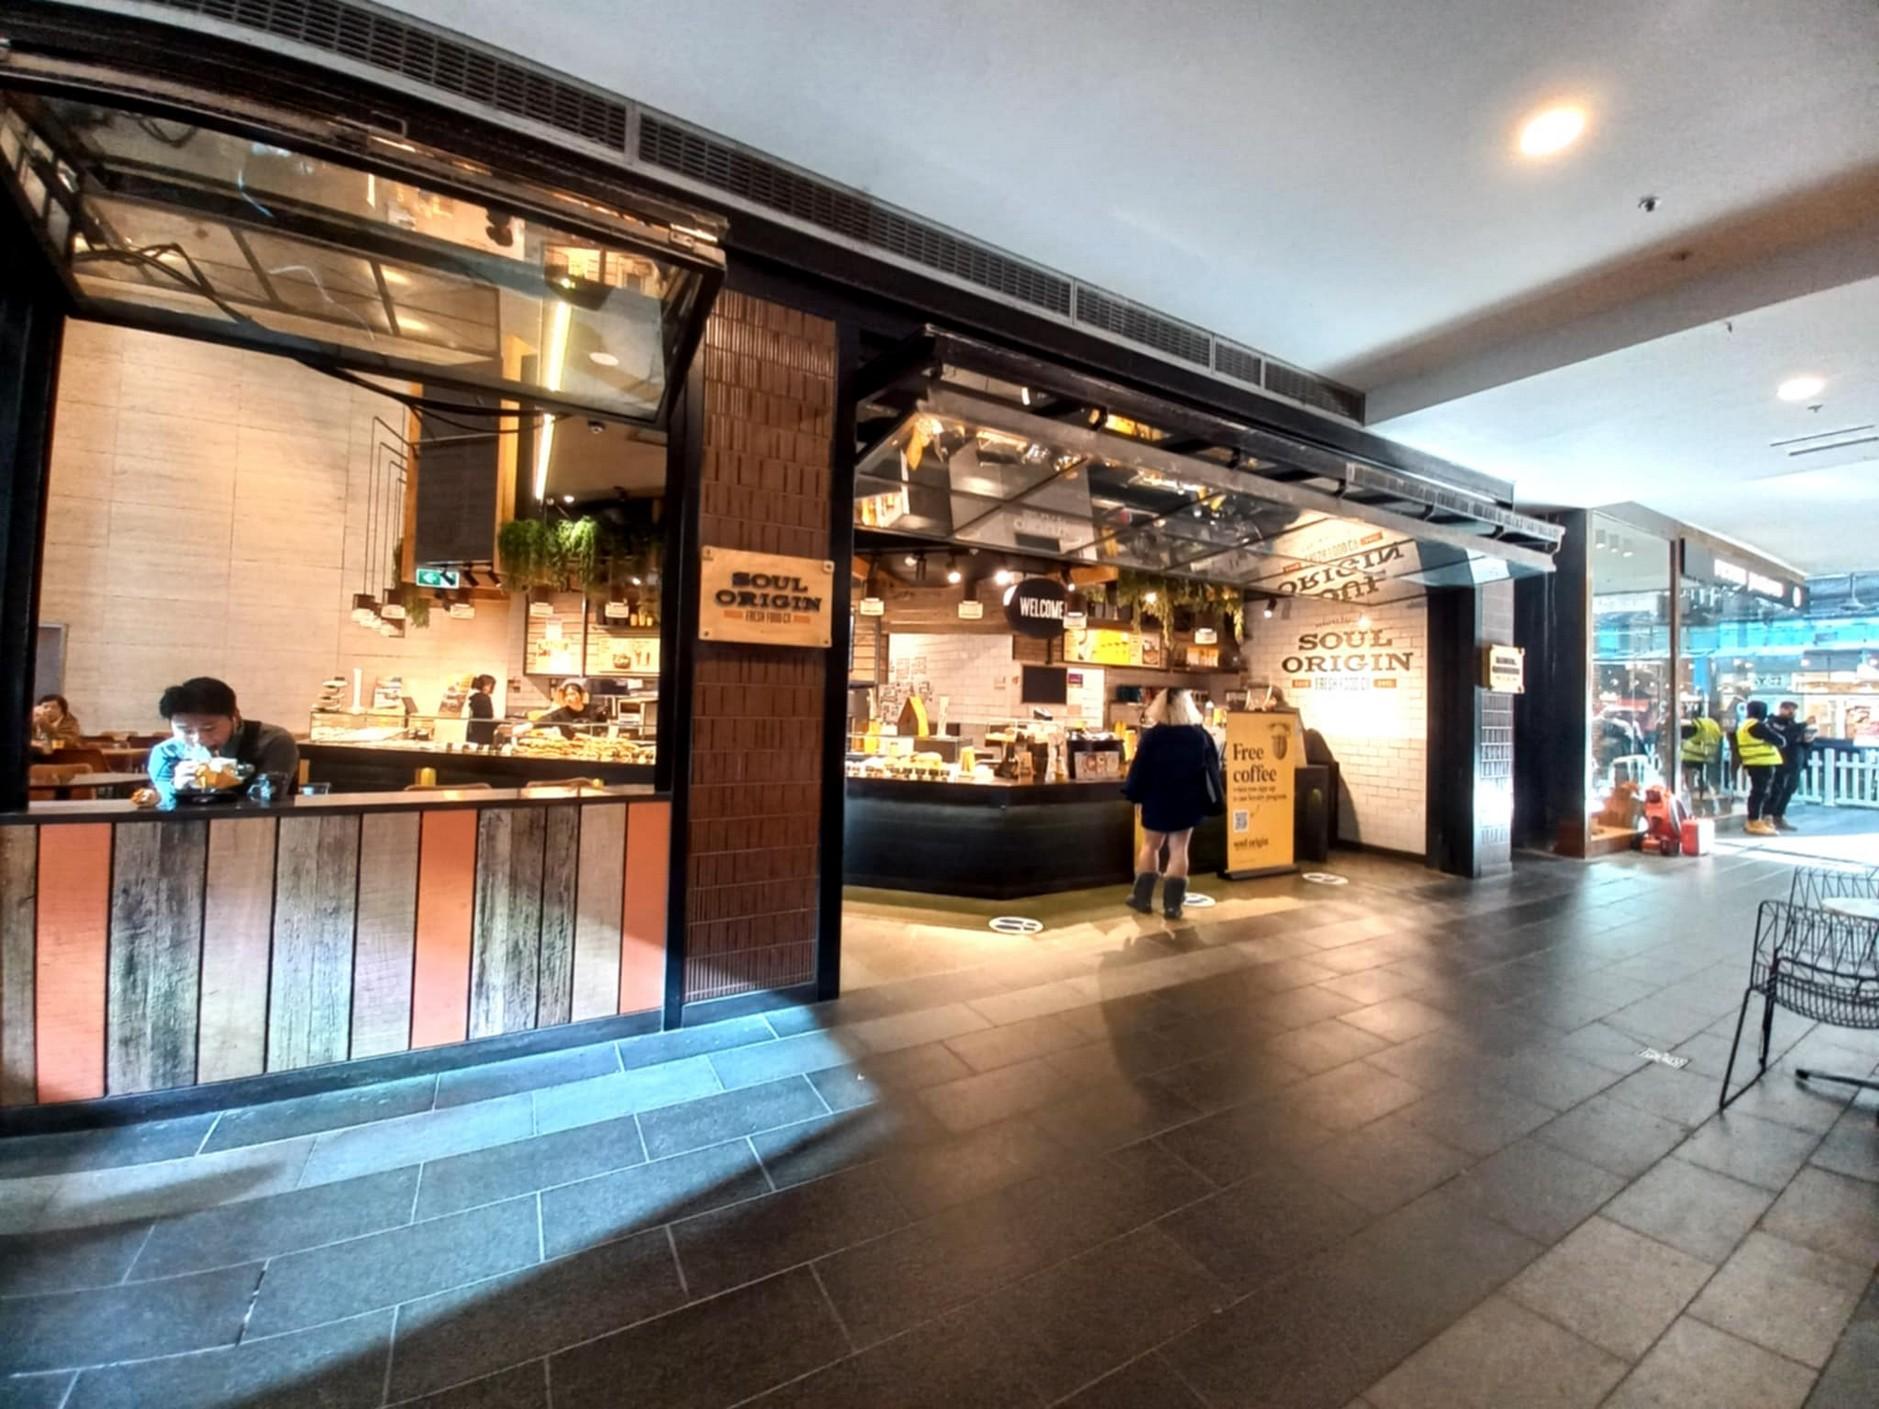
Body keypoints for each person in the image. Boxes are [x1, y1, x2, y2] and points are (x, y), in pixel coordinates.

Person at [1121, 687, 1223, 919]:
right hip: (1188, 799)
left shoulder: (1153, 736)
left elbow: (1139, 770)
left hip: (1157, 798)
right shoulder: (1200, 736)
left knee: (1151, 846)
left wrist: (1134, 794)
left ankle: (1142, 899)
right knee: (1179, 849)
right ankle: (1172, 906)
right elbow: (1213, 768)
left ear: (1159, 707)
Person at [147, 677, 300, 802]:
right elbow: (163, 806)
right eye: (186, 730)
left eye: (209, 728)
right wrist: (176, 788)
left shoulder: (273, 742)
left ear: (235, 717)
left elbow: (266, 801)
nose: (199, 739)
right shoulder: (165, 754)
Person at [1734, 700, 1785, 837]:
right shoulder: (1757, 725)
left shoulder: (1744, 725)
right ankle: (1754, 820)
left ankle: (1755, 820)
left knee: (1758, 792)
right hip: (1762, 762)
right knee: (1760, 793)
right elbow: (1780, 741)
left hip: (1752, 761)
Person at [1765, 699, 1809, 833]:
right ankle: (1768, 815)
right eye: (1789, 709)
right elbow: (1784, 736)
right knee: (1776, 789)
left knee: (1790, 789)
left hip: (1795, 762)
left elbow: (1799, 742)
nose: (1792, 712)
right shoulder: (1773, 723)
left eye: (1794, 710)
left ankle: (1779, 815)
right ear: (1782, 709)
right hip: (1780, 761)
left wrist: (1807, 740)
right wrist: (1804, 724)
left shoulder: (1794, 725)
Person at [1678, 707, 1724, 814]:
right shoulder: (1714, 726)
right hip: (1708, 757)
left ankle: (1692, 799)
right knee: (1705, 781)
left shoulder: (1696, 725)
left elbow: (1685, 736)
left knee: (1689, 778)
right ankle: (1708, 804)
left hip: (1691, 756)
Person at [528, 678, 605, 739]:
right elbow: (542, 721)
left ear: (581, 695)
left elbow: (605, 728)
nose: (569, 698)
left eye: (572, 694)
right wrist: (527, 726)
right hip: (569, 749)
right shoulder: (560, 714)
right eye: (567, 695)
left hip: (592, 749)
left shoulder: (595, 710)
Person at [465, 674, 498, 747]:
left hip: (474, 732)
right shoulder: (484, 699)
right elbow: (487, 718)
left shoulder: (475, 697)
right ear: (487, 686)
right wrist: (501, 723)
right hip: (482, 734)